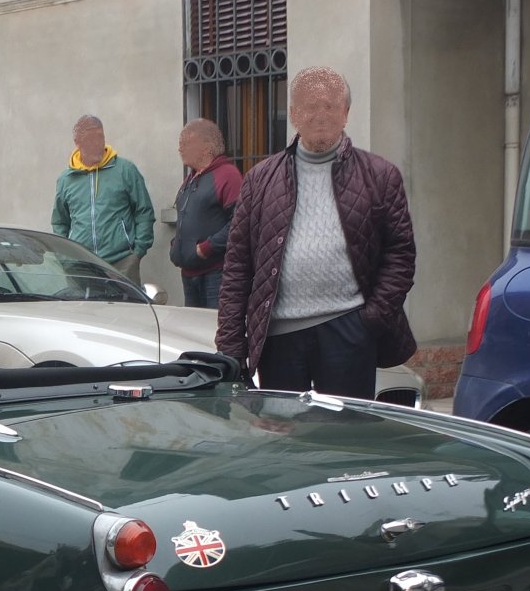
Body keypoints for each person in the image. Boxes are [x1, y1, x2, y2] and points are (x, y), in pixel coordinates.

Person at [217, 66, 417, 399]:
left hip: (349, 329)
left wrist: (371, 319)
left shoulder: (381, 176)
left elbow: (401, 255)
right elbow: (238, 265)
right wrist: (230, 344)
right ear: (293, 114)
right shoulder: (260, 180)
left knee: (345, 438)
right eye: (310, 107)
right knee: (285, 437)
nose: (320, 115)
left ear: (346, 113)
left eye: (330, 106)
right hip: (278, 336)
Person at [51, 115, 155, 285]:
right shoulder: (66, 179)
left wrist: (137, 252)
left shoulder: (125, 170)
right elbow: (60, 222)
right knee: (83, 312)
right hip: (81, 265)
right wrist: (66, 256)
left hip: (122, 263)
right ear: (77, 143)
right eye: (91, 139)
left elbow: (144, 211)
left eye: (101, 137)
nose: (97, 143)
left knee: (124, 311)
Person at [170, 118, 242, 309]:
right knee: (191, 330)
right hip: (188, 273)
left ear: (206, 147)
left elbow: (239, 223)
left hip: (214, 275)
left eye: (186, 144)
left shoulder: (228, 175)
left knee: (212, 331)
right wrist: (177, 246)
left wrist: (205, 249)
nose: (180, 149)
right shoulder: (191, 179)